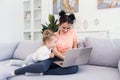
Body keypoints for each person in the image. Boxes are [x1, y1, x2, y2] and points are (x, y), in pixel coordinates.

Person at [0, 10, 78, 80]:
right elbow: (56, 52)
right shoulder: (54, 36)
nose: (66, 30)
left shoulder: (73, 33)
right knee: (43, 66)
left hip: (68, 58)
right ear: (59, 25)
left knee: (74, 68)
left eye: (68, 28)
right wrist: (65, 58)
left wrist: (74, 55)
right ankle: (13, 73)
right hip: (54, 57)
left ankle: (42, 73)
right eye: (64, 27)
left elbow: (75, 46)